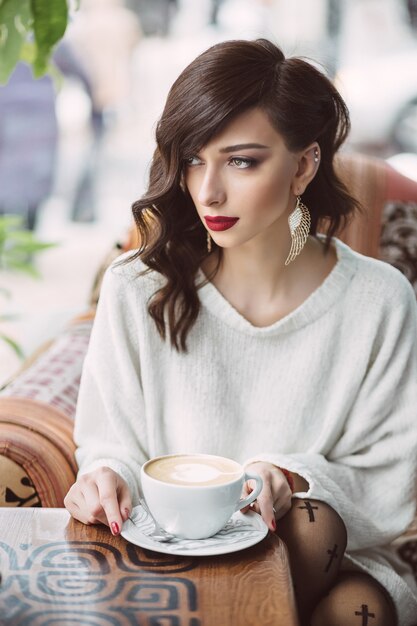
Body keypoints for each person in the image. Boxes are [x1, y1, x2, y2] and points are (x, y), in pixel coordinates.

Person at [64, 39, 417, 625]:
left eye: (241, 160)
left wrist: (288, 476)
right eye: (194, 159)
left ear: (304, 165)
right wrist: (102, 479)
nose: (208, 191)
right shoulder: (136, 287)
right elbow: (110, 445)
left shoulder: (378, 299)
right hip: (175, 554)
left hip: (337, 553)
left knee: (343, 585)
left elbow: (389, 475)